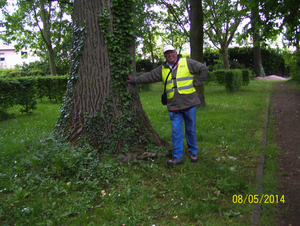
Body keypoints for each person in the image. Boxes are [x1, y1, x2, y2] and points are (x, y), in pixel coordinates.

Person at [127, 45, 208, 165]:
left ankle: (193, 152)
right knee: (176, 131)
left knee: (190, 130)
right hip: (174, 105)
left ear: (176, 52)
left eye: (172, 52)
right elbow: (148, 76)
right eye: (167, 53)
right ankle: (177, 156)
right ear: (165, 56)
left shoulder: (187, 62)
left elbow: (203, 69)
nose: (170, 55)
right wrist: (133, 79)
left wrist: (196, 82)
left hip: (189, 103)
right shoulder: (162, 69)